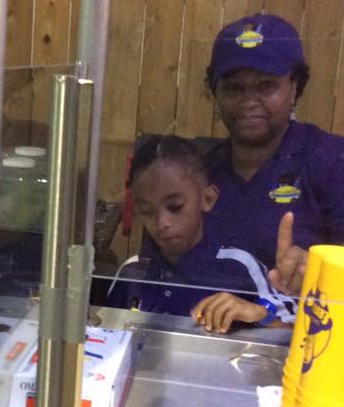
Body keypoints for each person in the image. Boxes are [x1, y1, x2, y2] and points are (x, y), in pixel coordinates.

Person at [202, 13, 344, 293]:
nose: (248, 101)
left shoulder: (336, 161)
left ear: (295, 87)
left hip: (303, 331)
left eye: (266, 85)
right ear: (215, 92)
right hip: (204, 329)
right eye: (233, 88)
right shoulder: (199, 168)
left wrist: (318, 270)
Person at [106, 135, 295, 334]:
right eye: (147, 211)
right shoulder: (133, 272)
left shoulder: (241, 267)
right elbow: (106, 340)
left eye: (175, 207)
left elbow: (295, 335)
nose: (162, 223)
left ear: (208, 198)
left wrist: (260, 315)